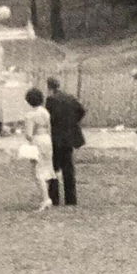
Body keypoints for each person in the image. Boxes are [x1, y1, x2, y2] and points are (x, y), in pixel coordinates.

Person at [44, 77, 86, 207]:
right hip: (69, 136)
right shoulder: (70, 97)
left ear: (49, 88)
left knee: (54, 168)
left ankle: (54, 198)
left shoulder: (50, 100)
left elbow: (48, 118)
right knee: (68, 169)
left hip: (56, 137)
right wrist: (72, 122)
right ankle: (71, 199)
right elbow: (82, 111)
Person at [21, 86, 56, 212]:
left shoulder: (30, 115)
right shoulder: (45, 112)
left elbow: (29, 134)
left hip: (37, 140)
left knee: (37, 171)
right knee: (46, 167)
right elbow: (50, 128)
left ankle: (46, 199)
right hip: (47, 139)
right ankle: (45, 196)